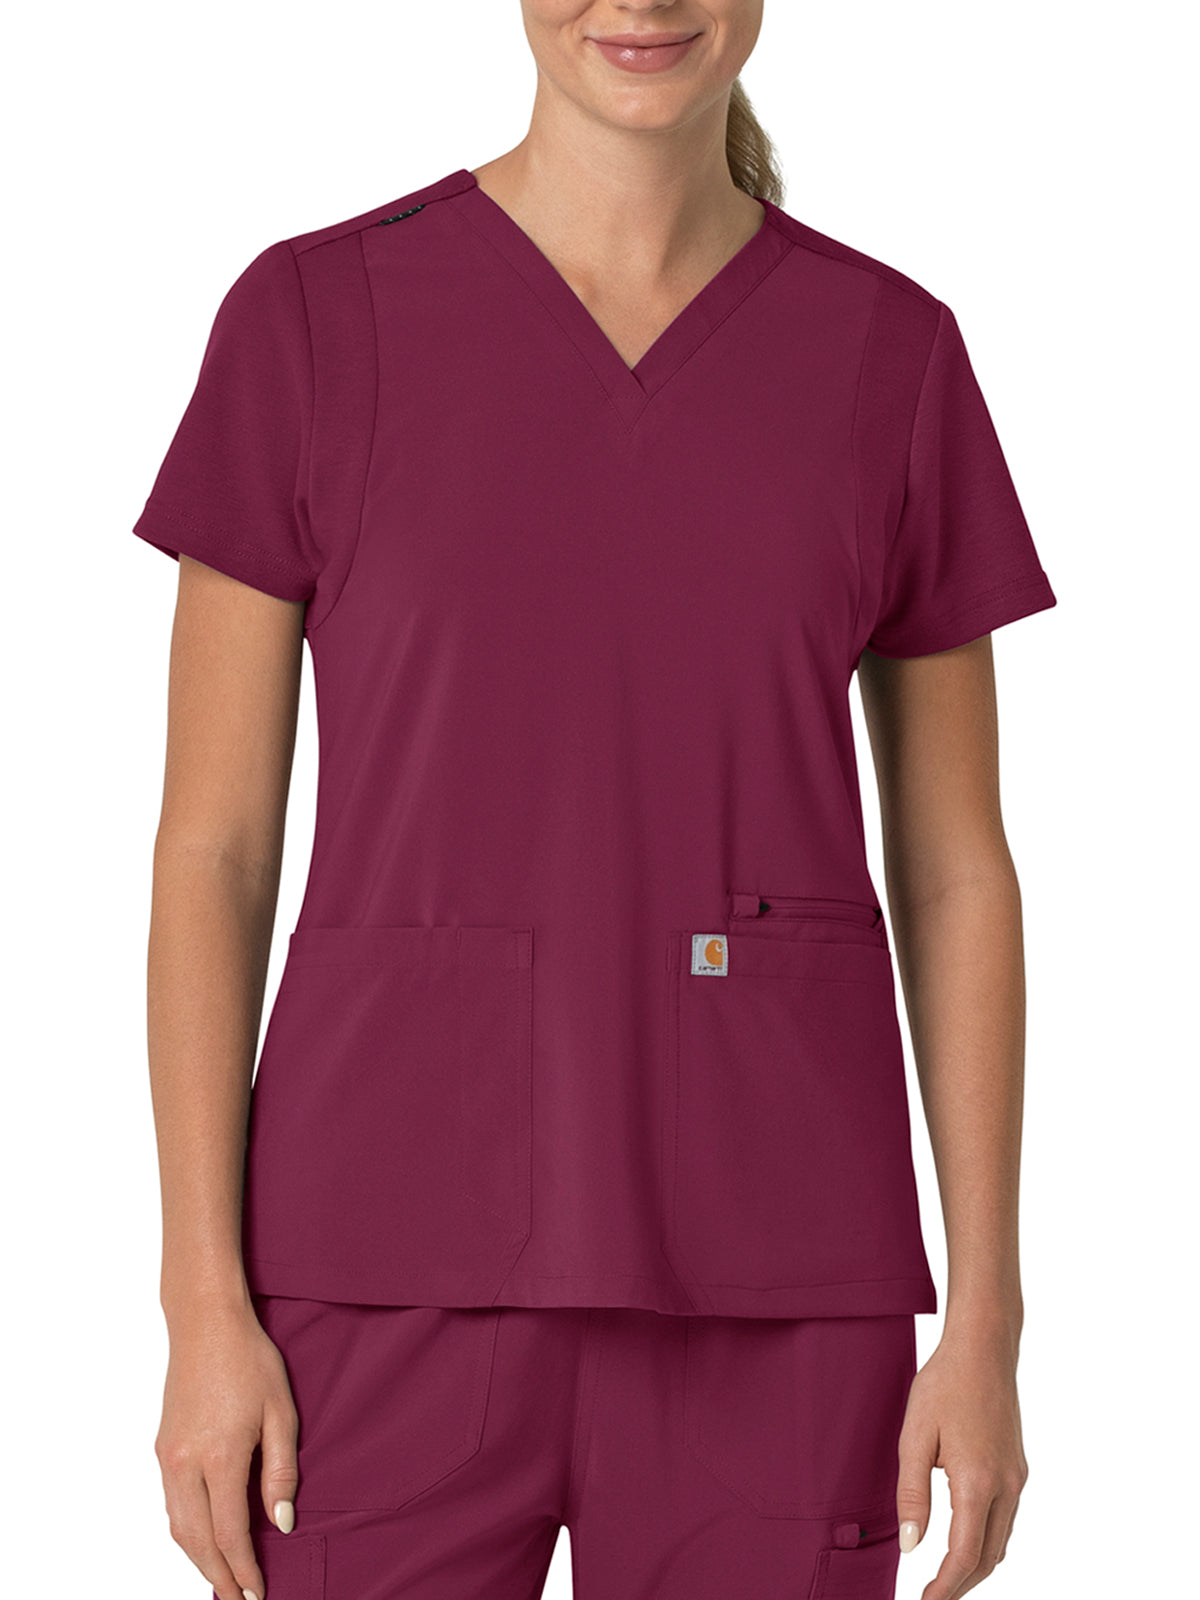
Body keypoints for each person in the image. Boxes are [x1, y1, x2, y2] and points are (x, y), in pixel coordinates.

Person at [134, 4, 1055, 1599]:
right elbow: (213, 853)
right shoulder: (312, 320)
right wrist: (200, 1305)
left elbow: (958, 866)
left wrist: (987, 1323)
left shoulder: (888, 355)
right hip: (377, 1272)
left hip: (779, 1276)